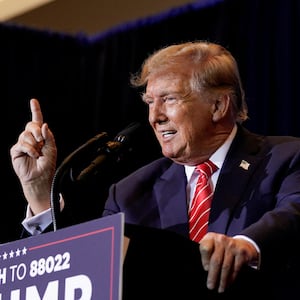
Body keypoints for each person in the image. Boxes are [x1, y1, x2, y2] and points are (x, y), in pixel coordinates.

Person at [10, 41, 300, 298]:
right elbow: (83, 271)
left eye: (170, 99)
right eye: (150, 102)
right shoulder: (129, 193)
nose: (154, 117)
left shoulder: (285, 156)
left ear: (218, 105)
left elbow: (293, 213)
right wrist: (39, 194)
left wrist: (247, 244)